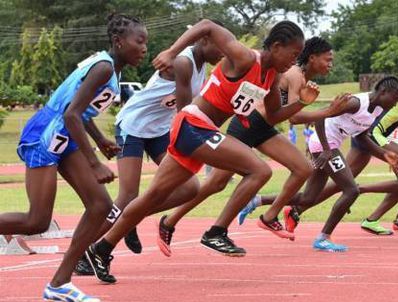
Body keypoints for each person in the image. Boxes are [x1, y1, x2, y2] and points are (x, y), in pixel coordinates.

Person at [85, 19, 314, 281]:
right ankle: (216, 232)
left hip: (201, 132)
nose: (294, 61)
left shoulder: (272, 78)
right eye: (293, 54)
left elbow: (272, 115)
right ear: (275, 46)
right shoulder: (245, 58)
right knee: (259, 170)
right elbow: (206, 25)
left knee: (151, 197)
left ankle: (99, 249)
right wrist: (172, 52)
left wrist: (301, 104)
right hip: (192, 124)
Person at [0, 14, 147, 302]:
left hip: (64, 136)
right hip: (46, 134)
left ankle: (60, 283)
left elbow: (80, 111)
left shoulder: (110, 68)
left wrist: (99, 139)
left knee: (101, 205)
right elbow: (69, 113)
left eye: (145, 42)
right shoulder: (104, 67)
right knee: (36, 220)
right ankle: (60, 282)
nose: (144, 48)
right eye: (139, 41)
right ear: (119, 42)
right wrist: (93, 162)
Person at [158, 36, 346, 257]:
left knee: (303, 168)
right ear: (312, 58)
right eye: (328, 59)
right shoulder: (295, 75)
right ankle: (172, 222)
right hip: (248, 125)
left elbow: (281, 114)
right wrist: (327, 112)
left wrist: (310, 106)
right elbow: (295, 118)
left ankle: (269, 217)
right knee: (216, 184)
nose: (330, 64)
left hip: (264, 127)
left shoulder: (297, 77)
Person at [74, 28, 224, 276]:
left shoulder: (201, 66)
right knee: (127, 195)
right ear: (205, 39)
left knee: (190, 188)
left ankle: (131, 218)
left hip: (159, 131)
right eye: (221, 46)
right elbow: (186, 113)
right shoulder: (182, 63)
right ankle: (82, 253)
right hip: (134, 126)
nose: (223, 52)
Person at [278, 62, 398, 236]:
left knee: (344, 183)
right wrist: (364, 109)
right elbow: (382, 95)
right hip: (374, 134)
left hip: (365, 136)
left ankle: (297, 210)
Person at [240, 76, 398, 251]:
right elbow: (320, 117)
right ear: (383, 92)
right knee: (351, 190)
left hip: (329, 146)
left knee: (308, 198)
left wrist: (384, 153)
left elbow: (361, 137)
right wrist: (326, 149)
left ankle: (256, 201)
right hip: (323, 145)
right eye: (395, 99)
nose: (395, 104)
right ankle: (323, 237)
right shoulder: (355, 103)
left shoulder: (377, 110)